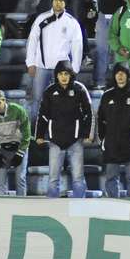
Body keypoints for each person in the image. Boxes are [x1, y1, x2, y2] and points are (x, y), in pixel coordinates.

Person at [36, 59, 93, 199]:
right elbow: (42, 115)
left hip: (75, 140)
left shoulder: (79, 89)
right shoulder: (49, 91)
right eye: (61, 73)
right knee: (53, 179)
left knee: (78, 178)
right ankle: (52, 206)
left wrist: (87, 134)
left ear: (71, 75)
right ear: (56, 75)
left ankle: (80, 207)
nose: (63, 77)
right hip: (55, 140)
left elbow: (89, 113)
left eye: (66, 73)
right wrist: (39, 135)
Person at [26, 0, 84, 120]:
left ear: (65, 2)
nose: (58, 2)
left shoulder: (71, 22)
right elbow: (32, 41)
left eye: (61, 0)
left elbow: (77, 47)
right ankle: (36, 134)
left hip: (62, 70)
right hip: (42, 67)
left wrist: (74, 69)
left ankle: (59, 132)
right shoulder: (41, 18)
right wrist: (30, 63)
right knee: (38, 100)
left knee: (63, 101)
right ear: (52, 1)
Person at [97, 63, 130, 198]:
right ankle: (113, 207)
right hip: (112, 143)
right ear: (114, 76)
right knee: (111, 178)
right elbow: (100, 119)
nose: (120, 76)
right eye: (117, 73)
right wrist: (102, 140)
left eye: (123, 73)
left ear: (127, 75)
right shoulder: (106, 95)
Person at [0, 90, 31, 196]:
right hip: (2, 148)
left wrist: (20, 153)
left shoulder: (18, 110)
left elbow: (26, 133)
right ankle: (1, 207)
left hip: (19, 146)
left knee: (20, 178)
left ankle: (22, 205)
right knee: (0, 181)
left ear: (4, 100)